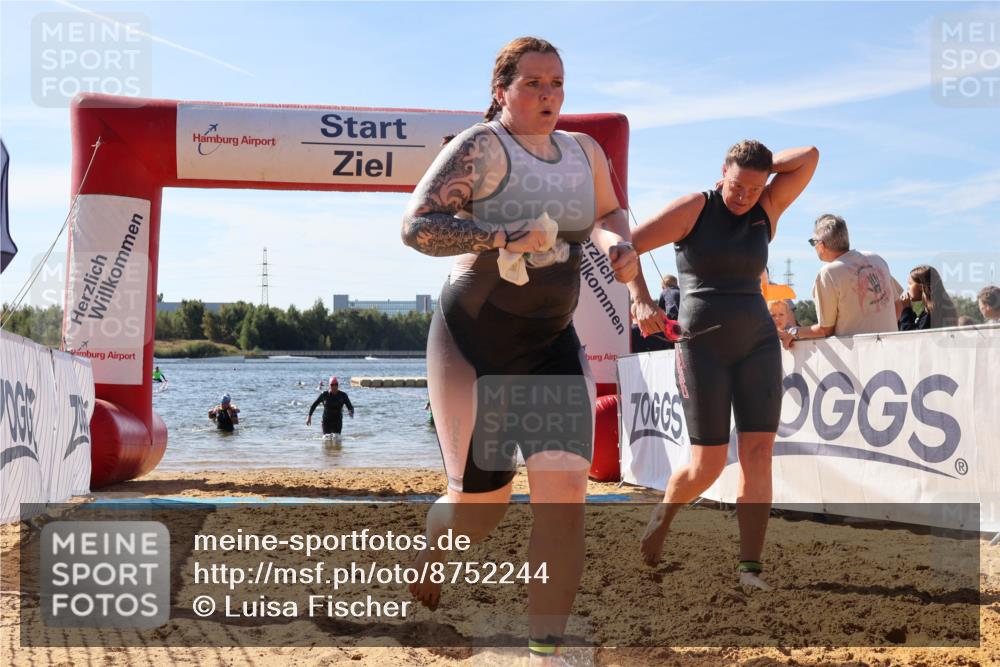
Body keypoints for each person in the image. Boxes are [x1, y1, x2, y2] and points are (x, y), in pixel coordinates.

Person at [400, 36, 637, 661]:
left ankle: (544, 650)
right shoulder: (480, 148)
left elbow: (613, 211)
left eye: (556, 83)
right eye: (533, 83)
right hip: (475, 343)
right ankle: (436, 541)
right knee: (483, 507)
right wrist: (504, 232)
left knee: (564, 503)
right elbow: (417, 226)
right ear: (501, 91)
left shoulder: (585, 151)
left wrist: (619, 245)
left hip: (552, 342)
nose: (548, 96)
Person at [628, 138, 819, 589]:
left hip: (757, 344)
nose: (744, 197)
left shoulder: (765, 208)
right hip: (702, 348)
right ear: (721, 174)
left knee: (759, 454)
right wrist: (639, 299)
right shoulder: (696, 206)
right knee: (708, 466)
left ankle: (750, 568)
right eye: (737, 187)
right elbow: (626, 247)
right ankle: (666, 511)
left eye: (755, 188)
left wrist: (761, 174)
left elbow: (810, 156)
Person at [778, 214, 902, 349]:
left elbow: (825, 330)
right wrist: (879, 336)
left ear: (821, 245)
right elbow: (898, 305)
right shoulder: (876, 259)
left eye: (813, 242)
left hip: (856, 358)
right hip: (890, 352)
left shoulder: (828, 273)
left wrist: (794, 332)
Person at [898, 265, 958, 330]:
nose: (907, 288)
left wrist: (906, 310)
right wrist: (909, 311)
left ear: (921, 287)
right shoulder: (936, 309)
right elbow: (918, 326)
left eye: (910, 283)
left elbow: (912, 336)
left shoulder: (930, 314)